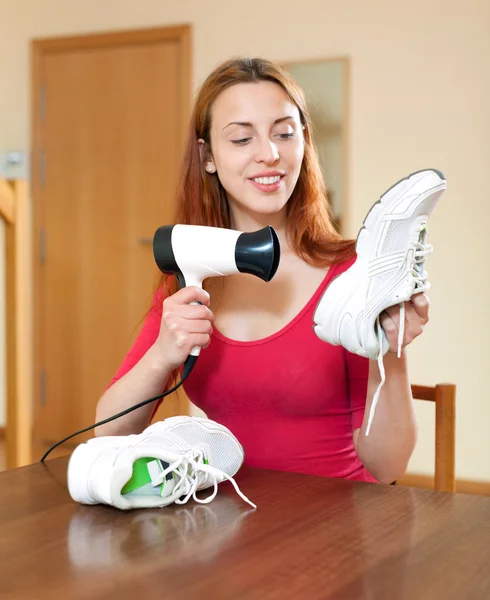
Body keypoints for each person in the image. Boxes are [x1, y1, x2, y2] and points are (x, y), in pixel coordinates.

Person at [95, 57, 429, 485]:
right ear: (208, 156)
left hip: (340, 527)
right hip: (226, 522)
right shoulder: (190, 276)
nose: (269, 154)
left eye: (285, 134)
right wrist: (163, 354)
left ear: (304, 143)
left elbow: (388, 468)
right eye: (241, 138)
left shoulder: (352, 273)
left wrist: (392, 351)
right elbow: (108, 432)